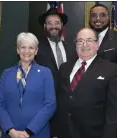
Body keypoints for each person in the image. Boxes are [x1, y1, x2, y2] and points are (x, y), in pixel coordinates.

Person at [54, 28, 117, 138]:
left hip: (94, 133)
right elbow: (58, 99)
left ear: (97, 44)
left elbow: (114, 111)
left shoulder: (111, 69)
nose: (84, 44)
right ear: (75, 45)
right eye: (80, 41)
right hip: (64, 133)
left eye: (89, 40)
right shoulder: (64, 68)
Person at [0, 32, 56, 138]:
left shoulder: (45, 73)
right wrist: (11, 131)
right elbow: (0, 105)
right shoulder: (6, 74)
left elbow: (50, 105)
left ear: (36, 51)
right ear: (18, 50)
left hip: (37, 133)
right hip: (10, 134)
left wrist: (29, 131)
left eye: (31, 48)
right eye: (23, 47)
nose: (27, 51)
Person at [35, 7, 76, 137]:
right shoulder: (36, 47)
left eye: (57, 23)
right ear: (45, 26)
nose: (54, 26)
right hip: (43, 102)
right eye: (50, 23)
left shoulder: (71, 47)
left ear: (62, 25)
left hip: (67, 104)